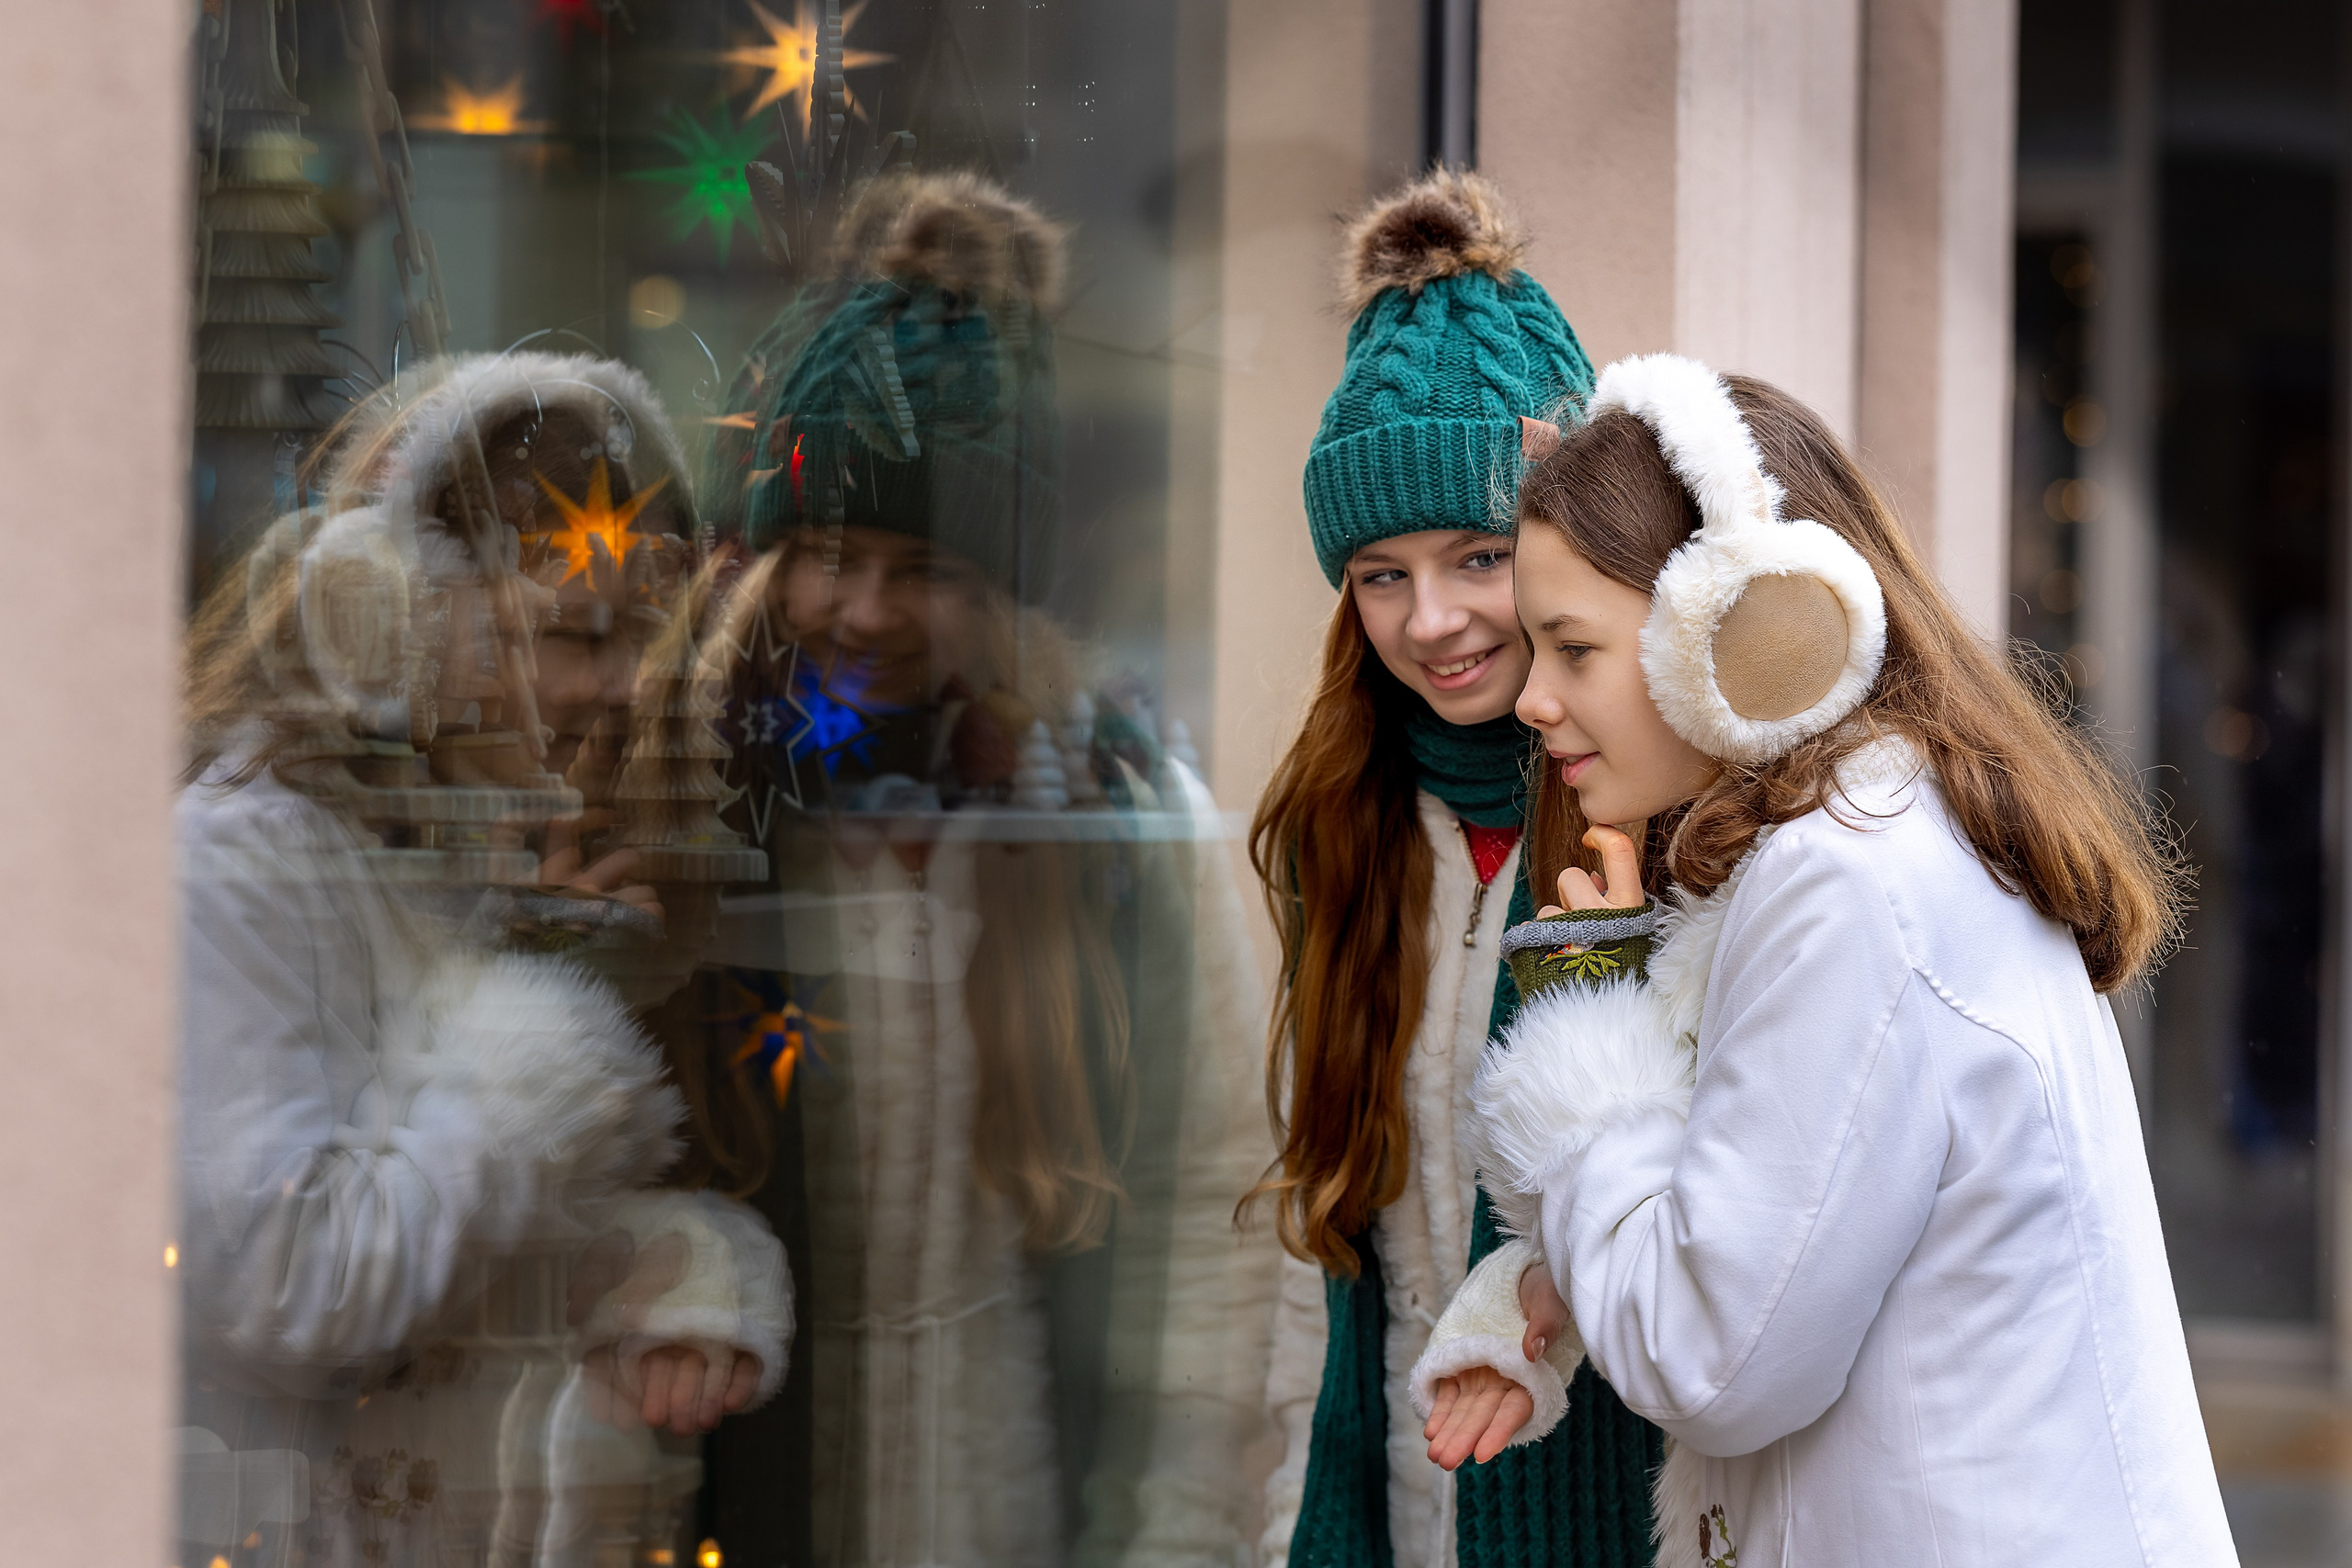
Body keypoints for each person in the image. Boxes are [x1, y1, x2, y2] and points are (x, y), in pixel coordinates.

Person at [1409, 355, 2234, 1567]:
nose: (1535, 699)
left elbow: (1714, 1354)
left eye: (1572, 649)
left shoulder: (1848, 880)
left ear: (1738, 631)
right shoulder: (1869, 835)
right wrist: (1554, 1287)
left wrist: (1588, 1031)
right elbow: (1792, 1229)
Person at [687, 168, 1276, 1568]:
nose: (869, 612)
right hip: (733, 1511)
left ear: (1003, 582)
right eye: (830, 554)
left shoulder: (1111, 817)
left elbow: (1216, 1195)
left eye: (929, 568)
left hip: (1022, 1512)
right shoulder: (699, 799)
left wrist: (1175, 1531)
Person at [176, 352, 791, 1568]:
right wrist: (541, 1026)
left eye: (641, 637)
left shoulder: (462, 850)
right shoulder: (234, 866)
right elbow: (297, 1284)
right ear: (389, 618)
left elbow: (490, 1250)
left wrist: (691, 1273)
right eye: (574, 634)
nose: (623, 688)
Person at [1250, 170, 1661, 1568]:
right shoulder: (1346, 829)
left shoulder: (1673, 828)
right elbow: (1327, 1243)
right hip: (1402, 1521)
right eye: (1380, 573)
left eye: (1480, 555)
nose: (1432, 622)